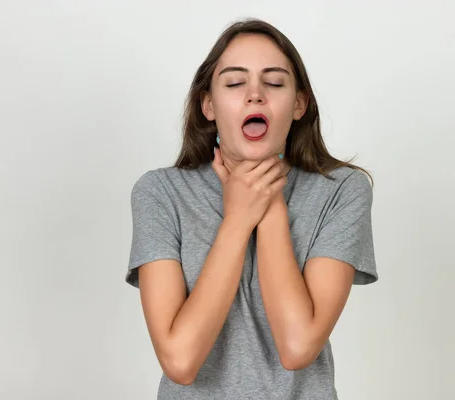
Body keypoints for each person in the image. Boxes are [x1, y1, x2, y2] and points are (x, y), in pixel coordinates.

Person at [126, 18, 378, 400]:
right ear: (208, 105)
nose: (255, 95)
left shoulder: (342, 190)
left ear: (298, 104)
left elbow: (297, 347)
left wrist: (269, 202)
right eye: (234, 82)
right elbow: (180, 360)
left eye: (274, 83)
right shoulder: (160, 193)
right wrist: (238, 218)